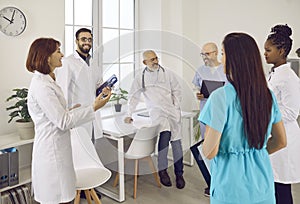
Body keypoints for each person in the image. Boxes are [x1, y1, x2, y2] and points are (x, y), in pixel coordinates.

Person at [199, 32, 287, 204]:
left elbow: (210, 151)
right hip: (263, 186)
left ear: (233, 59)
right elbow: (281, 141)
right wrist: (254, 153)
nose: (222, 59)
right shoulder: (267, 95)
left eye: (223, 54)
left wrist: (237, 155)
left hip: (230, 190)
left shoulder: (219, 98)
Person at [26, 37, 111, 204]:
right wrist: (93, 107)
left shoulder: (48, 81)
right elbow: (62, 121)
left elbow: (54, 115)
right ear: (46, 57)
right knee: (58, 198)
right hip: (51, 153)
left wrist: (71, 110)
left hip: (59, 148)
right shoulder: (42, 86)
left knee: (66, 196)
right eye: (58, 51)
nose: (62, 54)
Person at [124, 50, 185, 189]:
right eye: (152, 59)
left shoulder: (167, 73)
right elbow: (133, 97)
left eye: (156, 58)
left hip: (172, 112)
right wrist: (129, 114)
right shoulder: (141, 77)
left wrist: (175, 106)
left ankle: (179, 174)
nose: (155, 61)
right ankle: (162, 172)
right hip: (158, 114)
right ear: (145, 62)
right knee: (163, 143)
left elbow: (177, 90)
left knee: (176, 144)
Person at [264, 24, 300, 204]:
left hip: (285, 138)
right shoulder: (274, 74)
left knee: (282, 188)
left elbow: (292, 112)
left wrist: (264, 114)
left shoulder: (289, 78)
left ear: (282, 50)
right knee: (273, 185)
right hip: (274, 133)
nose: (265, 54)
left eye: (268, 50)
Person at [55, 28, 103, 143]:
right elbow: (62, 91)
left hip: (92, 115)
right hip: (76, 118)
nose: (87, 42)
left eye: (90, 39)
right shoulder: (67, 62)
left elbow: (97, 85)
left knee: (91, 152)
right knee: (78, 156)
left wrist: (105, 89)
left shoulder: (94, 63)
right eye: (83, 39)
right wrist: (65, 116)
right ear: (76, 41)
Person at [192, 42, 227, 197]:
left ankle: (223, 181)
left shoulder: (226, 70)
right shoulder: (200, 71)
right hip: (206, 112)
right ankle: (212, 182)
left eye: (207, 54)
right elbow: (196, 88)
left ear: (216, 53)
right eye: (202, 54)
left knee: (221, 148)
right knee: (208, 149)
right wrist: (198, 94)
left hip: (222, 114)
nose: (204, 57)